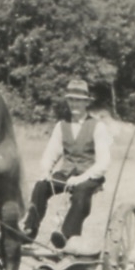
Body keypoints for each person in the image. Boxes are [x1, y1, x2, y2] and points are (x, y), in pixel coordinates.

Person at [23, 78, 112, 249]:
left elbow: (103, 162)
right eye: (71, 100)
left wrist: (82, 178)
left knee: (81, 192)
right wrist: (45, 171)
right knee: (41, 186)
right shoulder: (61, 126)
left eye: (78, 100)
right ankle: (29, 229)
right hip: (66, 173)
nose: (74, 104)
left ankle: (66, 234)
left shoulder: (97, 127)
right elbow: (51, 153)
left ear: (86, 102)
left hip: (90, 175)